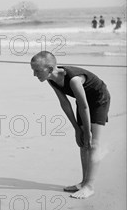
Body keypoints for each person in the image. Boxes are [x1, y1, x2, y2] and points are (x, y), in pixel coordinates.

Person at [30, 51, 110, 199]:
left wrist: (87, 131)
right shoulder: (51, 79)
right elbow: (65, 103)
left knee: (92, 143)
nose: (34, 75)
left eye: (37, 71)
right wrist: (76, 129)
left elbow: (84, 106)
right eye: (33, 70)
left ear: (49, 69)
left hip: (98, 99)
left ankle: (89, 186)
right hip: (82, 104)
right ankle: (83, 182)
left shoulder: (73, 80)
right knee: (82, 143)